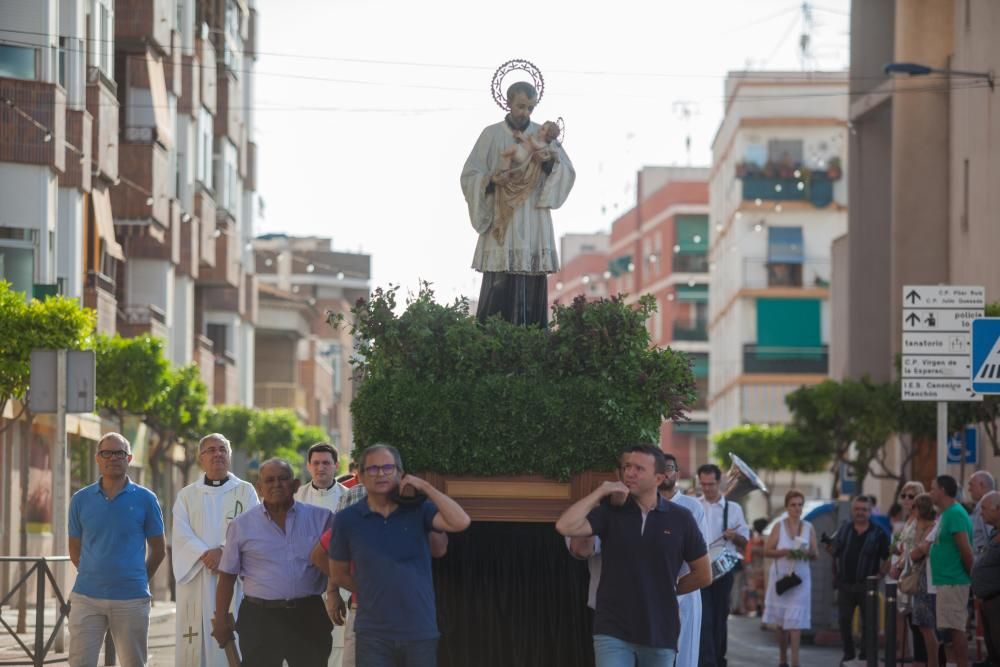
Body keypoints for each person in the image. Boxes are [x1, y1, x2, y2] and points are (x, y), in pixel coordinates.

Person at [557, 444, 711, 667]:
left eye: (639, 468)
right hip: (612, 628)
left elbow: (704, 574)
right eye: (627, 467)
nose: (629, 473)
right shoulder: (610, 513)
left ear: (659, 478)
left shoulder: (682, 518)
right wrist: (600, 492)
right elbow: (564, 526)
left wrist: (668, 590)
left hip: (660, 630)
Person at [327, 444, 471, 667]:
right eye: (373, 469)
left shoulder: (419, 510)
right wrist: (373, 588)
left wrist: (425, 487)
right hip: (372, 632)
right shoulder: (348, 519)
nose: (381, 473)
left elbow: (461, 521)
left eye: (388, 467)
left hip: (418, 629)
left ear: (400, 474)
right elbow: (338, 573)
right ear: (361, 476)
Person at [461, 80, 575, 326]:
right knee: (499, 284)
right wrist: (490, 179)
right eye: (521, 106)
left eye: (530, 108)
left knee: (531, 285)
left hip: (533, 215)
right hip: (502, 215)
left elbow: (566, 171)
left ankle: (532, 338)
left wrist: (548, 164)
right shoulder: (491, 135)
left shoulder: (543, 134)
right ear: (509, 102)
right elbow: (470, 175)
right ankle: (491, 340)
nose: (525, 113)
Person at [212, 458, 334, 667]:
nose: (276, 484)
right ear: (259, 488)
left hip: (308, 615)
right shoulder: (241, 526)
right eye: (269, 480)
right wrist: (221, 619)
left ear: (295, 485)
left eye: (283, 479)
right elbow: (227, 576)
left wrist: (335, 594)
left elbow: (337, 564)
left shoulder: (322, 519)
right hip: (260, 618)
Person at [67, 433, 166, 667]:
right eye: (106, 453)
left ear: (129, 458)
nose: (113, 458)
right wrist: (95, 573)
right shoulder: (80, 500)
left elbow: (159, 549)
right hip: (86, 598)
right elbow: (74, 548)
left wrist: (137, 578)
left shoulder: (146, 499)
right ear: (97, 458)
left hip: (131, 599)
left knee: (133, 664)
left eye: (119, 453)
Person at [172, 433, 259, 667]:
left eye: (222, 449)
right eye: (211, 450)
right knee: (195, 642)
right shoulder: (187, 495)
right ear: (201, 458)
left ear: (229, 456)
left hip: (233, 579)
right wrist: (204, 554)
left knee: (234, 641)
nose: (217, 453)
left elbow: (253, 528)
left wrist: (223, 551)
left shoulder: (246, 491)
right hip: (197, 577)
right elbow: (180, 532)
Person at [295, 443, 350, 667]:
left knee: (338, 645)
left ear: (336, 465)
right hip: (304, 584)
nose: (321, 468)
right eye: (316, 463)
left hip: (338, 583)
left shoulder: (349, 499)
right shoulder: (295, 499)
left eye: (326, 463)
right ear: (308, 466)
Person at [827, 494, 890, 664]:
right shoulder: (844, 529)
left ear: (870, 512)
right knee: (844, 622)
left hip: (867, 586)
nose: (860, 512)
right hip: (845, 584)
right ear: (852, 511)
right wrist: (829, 546)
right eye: (857, 509)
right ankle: (848, 655)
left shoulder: (879, 533)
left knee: (869, 625)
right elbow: (835, 552)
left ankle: (865, 657)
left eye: (864, 509)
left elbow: (889, 556)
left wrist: (880, 575)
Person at [660, 452, 710, 667]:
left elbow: (701, 556)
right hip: (653, 593)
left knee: (684, 656)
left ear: (677, 473)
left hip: (685, 590)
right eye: (660, 468)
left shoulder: (693, 507)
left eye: (669, 467)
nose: (665, 472)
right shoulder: (643, 505)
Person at [696, 463, 749, 667]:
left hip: (723, 571)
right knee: (705, 619)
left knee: (720, 619)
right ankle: (707, 662)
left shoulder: (734, 509)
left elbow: (745, 542)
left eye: (711, 484)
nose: (707, 488)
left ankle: (719, 659)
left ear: (719, 482)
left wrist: (734, 536)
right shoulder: (694, 505)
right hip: (700, 569)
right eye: (703, 484)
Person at [762, 490, 818, 667]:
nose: (797, 508)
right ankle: (782, 658)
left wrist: (807, 552)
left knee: (795, 622)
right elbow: (766, 551)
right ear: (787, 507)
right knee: (781, 622)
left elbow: (815, 554)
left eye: (800, 504)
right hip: (781, 578)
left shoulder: (809, 527)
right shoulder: (779, 526)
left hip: (801, 579)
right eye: (793, 505)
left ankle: (795, 662)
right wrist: (783, 552)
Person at [929, 474, 974, 667]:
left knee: (956, 629)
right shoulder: (947, 514)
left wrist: (970, 576)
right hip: (945, 580)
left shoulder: (955, 513)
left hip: (954, 580)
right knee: (948, 631)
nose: (930, 493)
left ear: (942, 491)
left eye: (932, 489)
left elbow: (965, 549)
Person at [889, 481, 928, 665]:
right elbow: (902, 548)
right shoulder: (907, 522)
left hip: (916, 575)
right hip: (903, 574)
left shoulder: (920, 520)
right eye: (903, 495)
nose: (905, 499)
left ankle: (920, 660)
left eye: (910, 496)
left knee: (917, 622)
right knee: (906, 618)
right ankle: (907, 655)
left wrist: (901, 559)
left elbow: (919, 547)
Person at [903, 493, 942, 667]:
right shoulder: (919, 526)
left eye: (914, 507)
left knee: (927, 627)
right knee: (923, 626)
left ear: (919, 509)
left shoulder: (931, 528)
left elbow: (917, 552)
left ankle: (932, 663)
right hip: (923, 581)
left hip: (927, 582)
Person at [971, 491, 1000, 666]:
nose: (981, 513)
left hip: (997, 599)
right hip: (988, 599)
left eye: (984, 508)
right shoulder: (994, 532)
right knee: (993, 649)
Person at [743, 518, 769, 618]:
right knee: (761, 591)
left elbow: (749, 553)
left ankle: (760, 609)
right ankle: (761, 610)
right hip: (762, 568)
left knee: (758, 591)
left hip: (755, 567)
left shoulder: (755, 539)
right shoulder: (763, 539)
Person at [969, 471, 997, 555]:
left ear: (982, 485)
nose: (969, 489)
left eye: (971, 485)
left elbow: (992, 537)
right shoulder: (985, 503)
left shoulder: (988, 504)